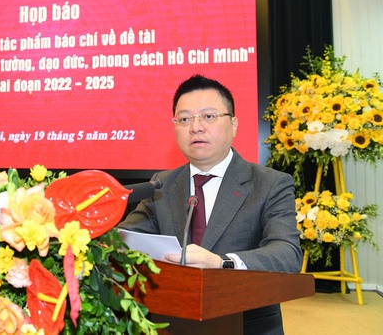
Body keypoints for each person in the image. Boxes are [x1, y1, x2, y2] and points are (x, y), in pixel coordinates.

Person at [119, 74, 302, 335]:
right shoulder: (162, 184)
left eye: (208, 116)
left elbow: (287, 253)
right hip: (170, 319)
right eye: (184, 119)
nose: (195, 127)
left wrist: (222, 262)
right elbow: (125, 239)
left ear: (234, 124)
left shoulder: (271, 183)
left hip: (244, 323)